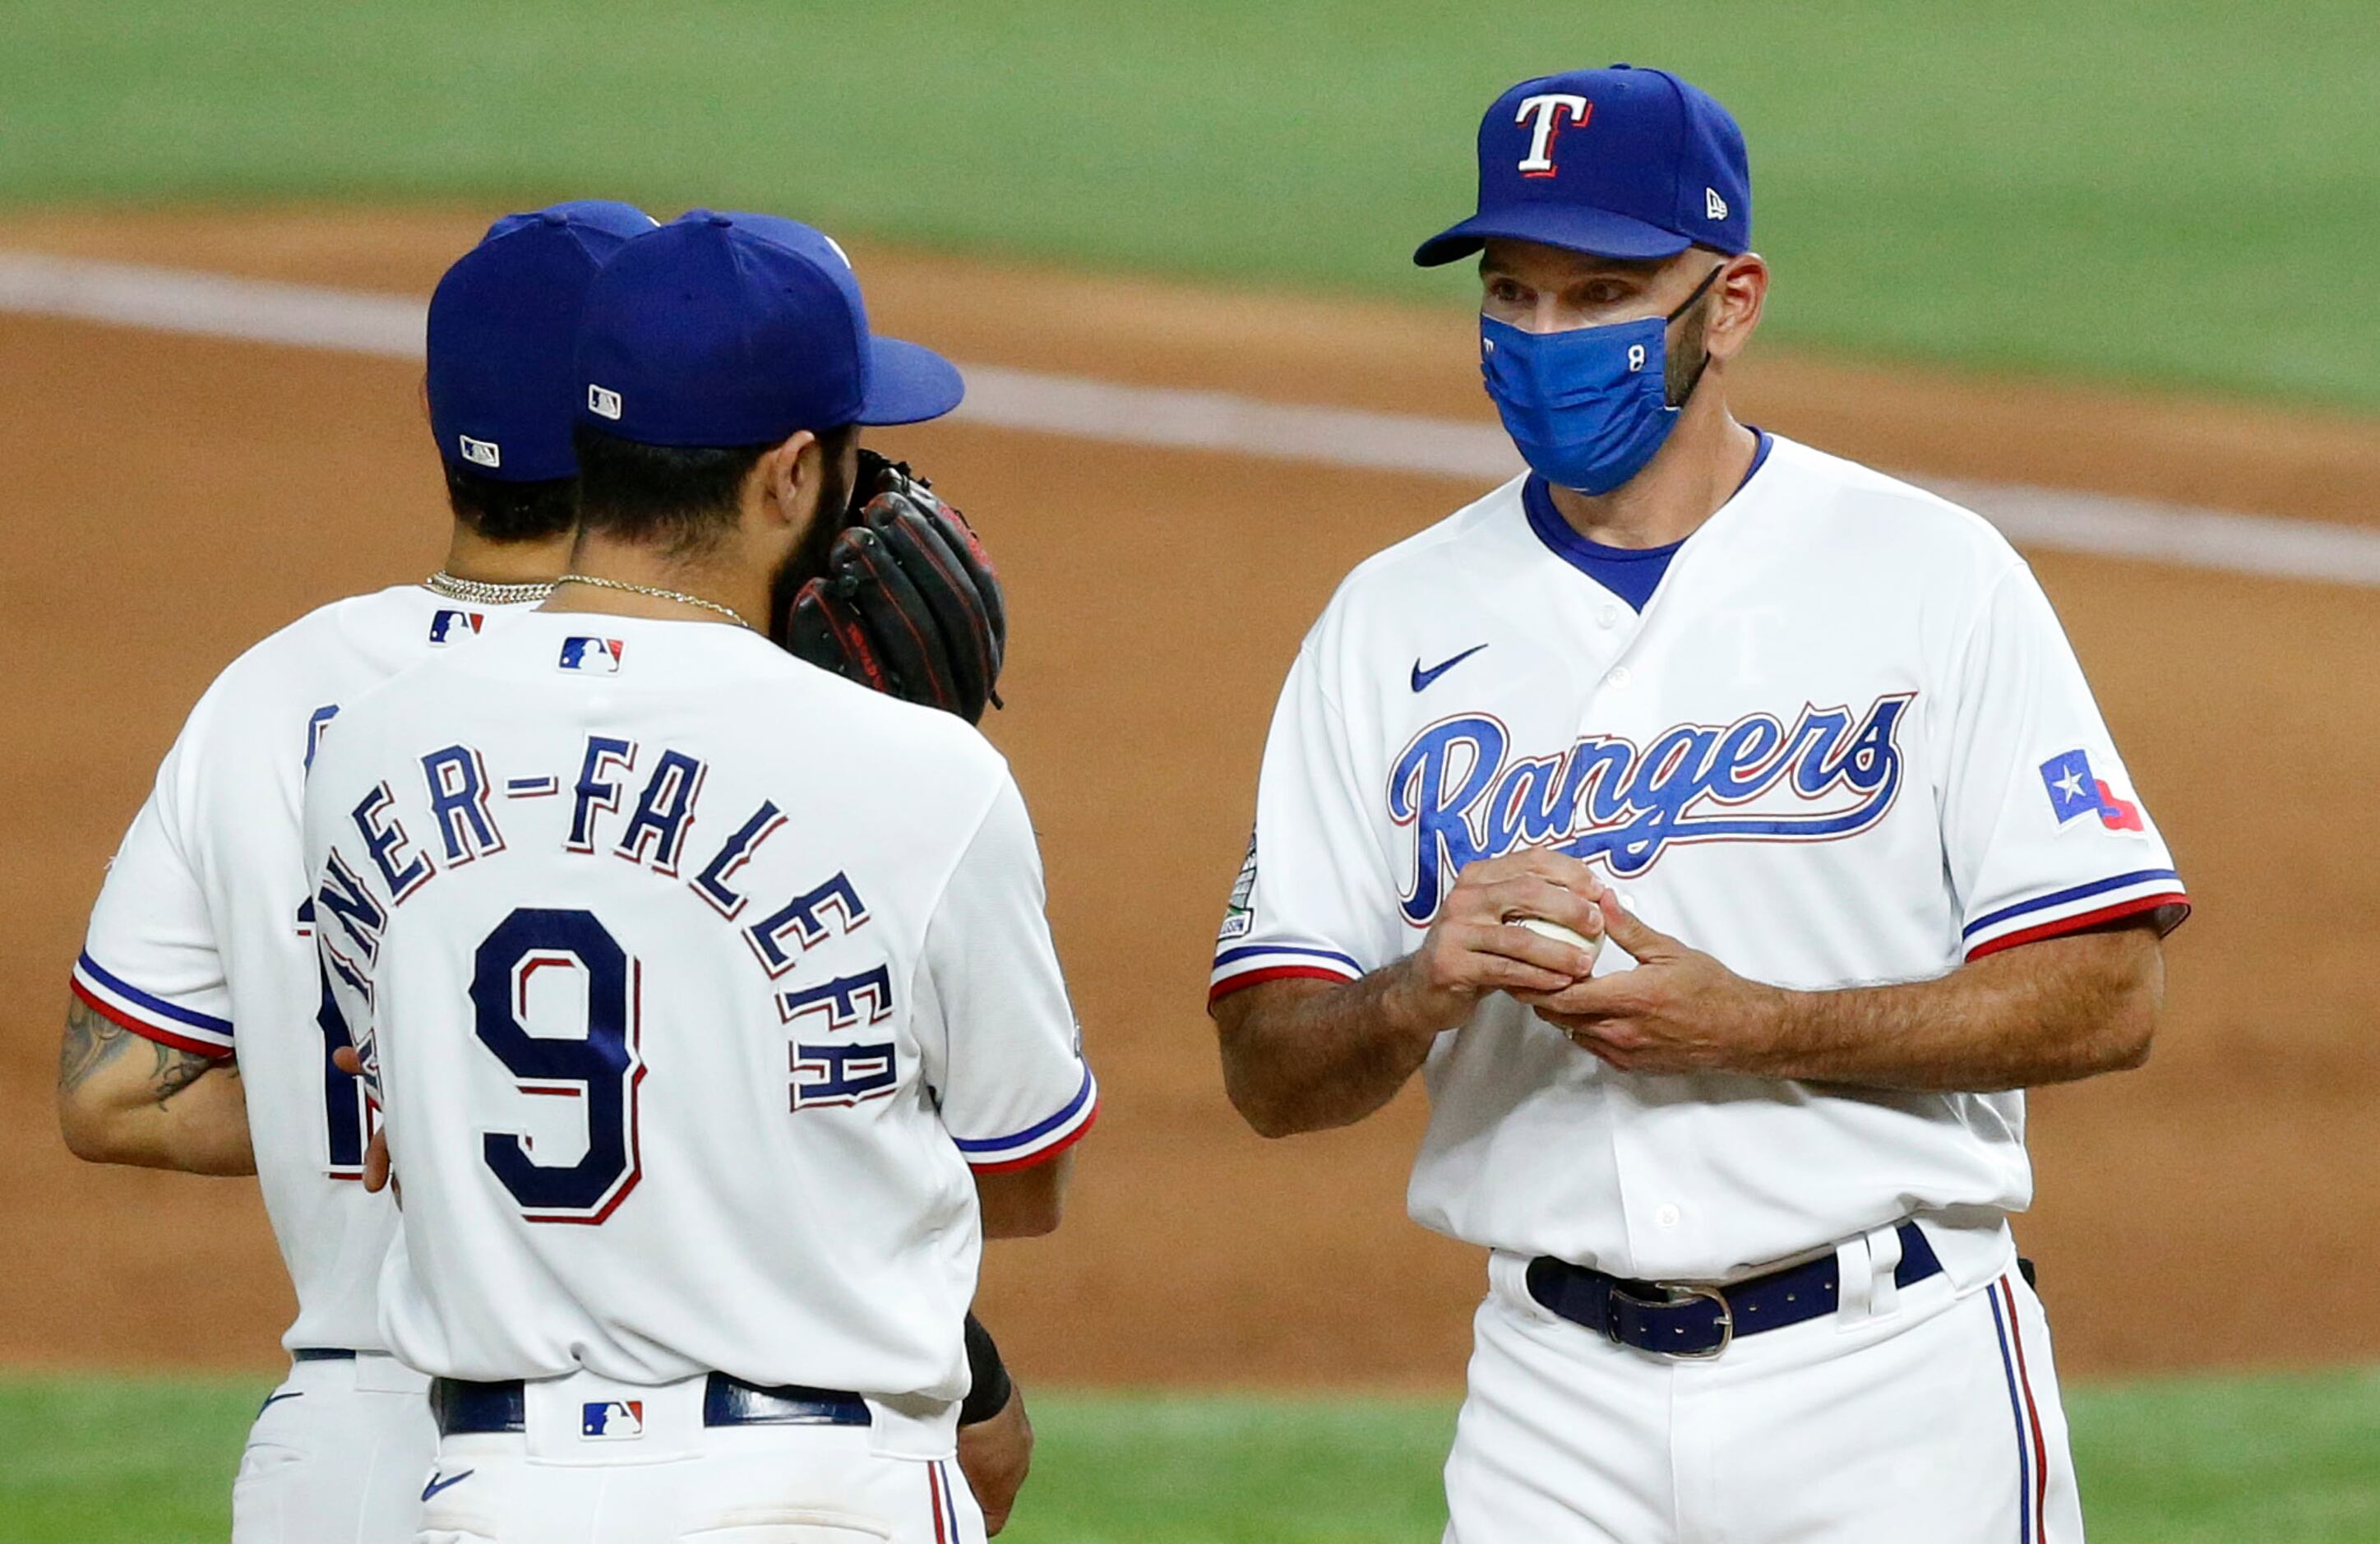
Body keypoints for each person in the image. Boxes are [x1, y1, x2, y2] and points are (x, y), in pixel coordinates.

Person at [1209, 66, 2186, 1542]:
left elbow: (2109, 991)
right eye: (1513, 293)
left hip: (1893, 1381)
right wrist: (1416, 989)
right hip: (1552, 1408)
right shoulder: (1381, 621)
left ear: (1729, 303)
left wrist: (1763, 1024)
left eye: (1600, 293)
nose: (1544, 339)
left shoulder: (1931, 574)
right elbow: (1270, 1070)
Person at [303, 208, 1095, 1544]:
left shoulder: (365, 750)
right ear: (788, 473)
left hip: (493, 1493)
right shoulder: (921, 776)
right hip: (812, 1495)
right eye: (854, 452)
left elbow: (406, 1130)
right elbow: (1019, 1177)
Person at [58, 198, 657, 1544]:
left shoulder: (265, 695)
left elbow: (110, 1094)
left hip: (335, 1462)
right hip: (631, 1447)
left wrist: (401, 1099)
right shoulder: (702, 702)